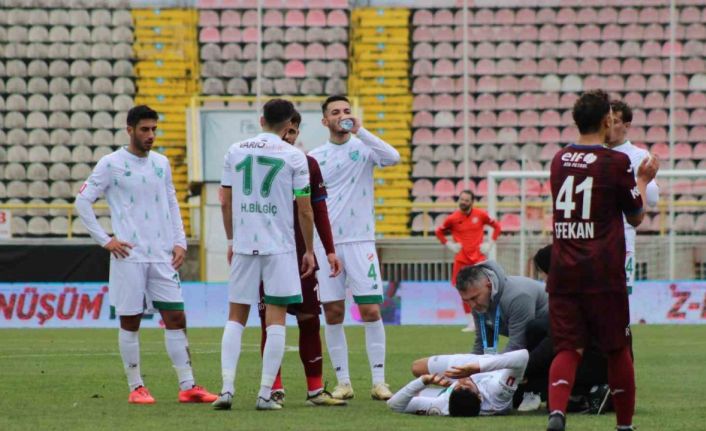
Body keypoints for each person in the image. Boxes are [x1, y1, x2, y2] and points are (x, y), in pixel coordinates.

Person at [74, 105, 216, 404]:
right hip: (129, 256)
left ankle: (188, 385)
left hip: (162, 255)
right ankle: (136, 386)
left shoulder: (161, 163)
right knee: (131, 320)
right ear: (130, 130)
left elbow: (171, 202)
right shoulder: (111, 163)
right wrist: (105, 239)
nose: (151, 135)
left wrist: (179, 242)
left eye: (154, 129)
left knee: (176, 317)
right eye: (144, 130)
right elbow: (82, 202)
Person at [546, 90, 658, 431]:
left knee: (567, 348)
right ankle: (624, 426)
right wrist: (643, 179)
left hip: (563, 269)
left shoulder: (559, 159)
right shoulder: (616, 162)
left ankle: (557, 414)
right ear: (607, 121)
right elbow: (636, 216)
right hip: (602, 271)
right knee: (616, 348)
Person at [213, 98, 316, 411]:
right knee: (276, 320)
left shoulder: (235, 150)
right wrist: (309, 250)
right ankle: (264, 394)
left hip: (245, 243)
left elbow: (225, 201)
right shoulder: (295, 157)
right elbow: (305, 209)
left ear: (261, 120)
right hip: (280, 247)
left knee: (236, 317)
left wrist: (231, 238)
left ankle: (226, 390)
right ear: (288, 127)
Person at [308, 95, 401, 401]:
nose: (342, 115)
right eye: (335, 112)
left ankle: (379, 381)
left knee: (371, 309)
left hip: (361, 242)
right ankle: (343, 382)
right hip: (327, 245)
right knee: (333, 312)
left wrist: (362, 130)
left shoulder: (364, 148)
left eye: (346, 111)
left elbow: (394, 158)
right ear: (325, 121)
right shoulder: (315, 156)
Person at [256, 111, 346, 407]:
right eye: (285, 131)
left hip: (301, 255)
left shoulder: (307, 164)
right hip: (268, 255)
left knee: (309, 319)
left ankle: (315, 390)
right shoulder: (257, 163)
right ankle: (273, 387)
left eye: (293, 132)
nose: (288, 136)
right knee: (271, 322)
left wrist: (329, 250)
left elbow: (318, 211)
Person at [606, 100, 660, 294]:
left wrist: (642, 182)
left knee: (620, 301)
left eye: (615, 121)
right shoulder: (594, 152)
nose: (609, 125)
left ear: (627, 126)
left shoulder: (639, 156)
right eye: (607, 120)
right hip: (592, 237)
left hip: (623, 238)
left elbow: (653, 197)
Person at [435, 190, 502, 332]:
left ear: (472, 202)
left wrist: (490, 244)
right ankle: (471, 323)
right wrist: (450, 245)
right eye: (461, 199)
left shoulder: (481, 215)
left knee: (486, 289)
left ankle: (488, 318)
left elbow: (497, 226)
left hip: (478, 259)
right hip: (461, 261)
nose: (463, 202)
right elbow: (438, 232)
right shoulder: (452, 218)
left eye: (466, 200)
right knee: (463, 290)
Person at [390, 349, 529, 416]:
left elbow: (394, 405)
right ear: (480, 396)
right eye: (467, 385)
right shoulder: (497, 394)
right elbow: (522, 356)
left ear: (449, 396)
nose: (461, 380)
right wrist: (478, 367)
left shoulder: (443, 406)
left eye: (457, 386)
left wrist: (423, 381)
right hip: (493, 366)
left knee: (417, 367)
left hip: (467, 368)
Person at [455, 261, 548, 356]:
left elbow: (517, 346)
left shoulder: (517, 297)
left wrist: (491, 365)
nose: (472, 305)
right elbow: (483, 346)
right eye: (466, 300)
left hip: (554, 335)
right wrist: (466, 366)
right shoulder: (479, 303)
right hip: (534, 340)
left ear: (489, 286)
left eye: (474, 298)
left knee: (528, 365)